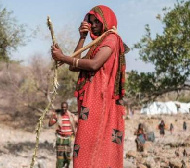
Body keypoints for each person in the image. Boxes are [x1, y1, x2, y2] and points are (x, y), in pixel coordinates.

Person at [51, 5, 128, 168]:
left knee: (90, 144)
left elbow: (93, 64)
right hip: (91, 100)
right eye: (91, 22)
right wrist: (82, 37)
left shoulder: (111, 39)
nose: (92, 25)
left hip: (99, 100)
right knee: (85, 145)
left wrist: (63, 57)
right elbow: (74, 66)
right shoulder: (97, 43)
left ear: (106, 21)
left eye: (96, 22)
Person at [48, 102, 77, 168]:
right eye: (62, 108)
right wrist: (52, 115)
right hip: (60, 139)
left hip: (69, 139)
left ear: (67, 108)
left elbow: (78, 122)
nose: (64, 109)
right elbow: (50, 124)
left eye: (65, 108)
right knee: (60, 158)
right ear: (61, 108)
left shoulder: (71, 116)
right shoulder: (58, 115)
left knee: (68, 157)